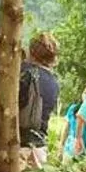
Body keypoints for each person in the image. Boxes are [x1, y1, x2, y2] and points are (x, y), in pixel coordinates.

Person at [23, 34, 62, 162]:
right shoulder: (53, 81)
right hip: (40, 144)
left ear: (31, 52)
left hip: (22, 144)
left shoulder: (28, 74)